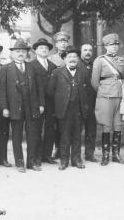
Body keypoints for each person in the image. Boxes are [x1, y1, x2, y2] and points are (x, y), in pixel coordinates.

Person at [0, 39, 45, 173]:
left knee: (33, 135)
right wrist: (4, 108)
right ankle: (19, 162)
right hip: (14, 107)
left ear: (27, 54)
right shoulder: (6, 69)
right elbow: (1, 90)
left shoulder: (32, 67)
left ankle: (31, 162)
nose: (21, 54)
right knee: (17, 136)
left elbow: (40, 88)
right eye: (18, 52)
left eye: (23, 52)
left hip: (32, 106)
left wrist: (41, 104)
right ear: (12, 54)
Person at [47, 46, 89, 170]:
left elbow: (87, 90)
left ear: (78, 59)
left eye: (75, 57)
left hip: (78, 109)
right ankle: (64, 159)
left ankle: (76, 159)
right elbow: (50, 91)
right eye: (69, 57)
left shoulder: (84, 72)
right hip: (64, 109)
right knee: (64, 134)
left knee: (77, 134)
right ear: (64, 59)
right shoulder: (57, 72)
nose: (72, 59)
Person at [91, 33, 124, 166]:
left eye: (116, 44)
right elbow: (95, 82)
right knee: (107, 125)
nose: (114, 47)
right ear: (106, 46)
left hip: (119, 95)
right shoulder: (99, 61)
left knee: (118, 125)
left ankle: (116, 154)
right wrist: (103, 92)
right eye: (111, 45)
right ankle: (105, 155)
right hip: (105, 96)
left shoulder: (121, 60)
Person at [30, 38, 58, 165]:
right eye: (41, 48)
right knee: (36, 129)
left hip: (51, 103)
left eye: (46, 48)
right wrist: (37, 103)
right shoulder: (31, 66)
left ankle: (47, 154)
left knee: (50, 128)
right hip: (37, 103)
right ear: (35, 50)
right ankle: (36, 156)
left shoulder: (53, 66)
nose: (44, 50)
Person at [48, 31, 70, 160]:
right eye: (60, 41)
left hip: (70, 95)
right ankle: (57, 148)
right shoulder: (51, 59)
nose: (63, 44)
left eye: (65, 41)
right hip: (57, 97)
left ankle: (67, 148)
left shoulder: (72, 57)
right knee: (57, 123)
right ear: (56, 44)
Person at [78, 43, 98, 162]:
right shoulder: (76, 64)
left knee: (91, 129)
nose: (88, 52)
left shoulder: (95, 65)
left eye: (90, 50)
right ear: (81, 52)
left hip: (92, 103)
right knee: (76, 130)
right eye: (85, 50)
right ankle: (75, 154)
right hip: (79, 103)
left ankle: (89, 154)